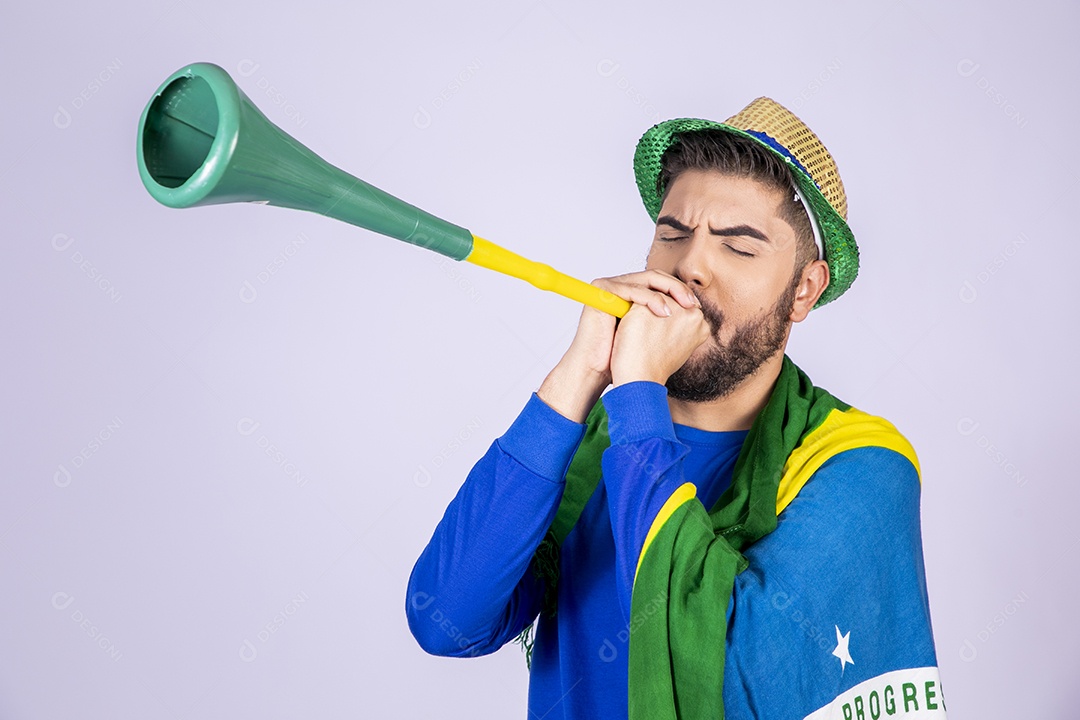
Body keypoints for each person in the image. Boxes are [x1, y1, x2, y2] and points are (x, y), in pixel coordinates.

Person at [405, 98, 945, 719]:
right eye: (672, 234)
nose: (690, 267)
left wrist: (638, 396)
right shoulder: (593, 440)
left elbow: (730, 677)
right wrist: (580, 374)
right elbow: (444, 620)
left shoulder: (862, 465)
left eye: (738, 248)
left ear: (803, 290)